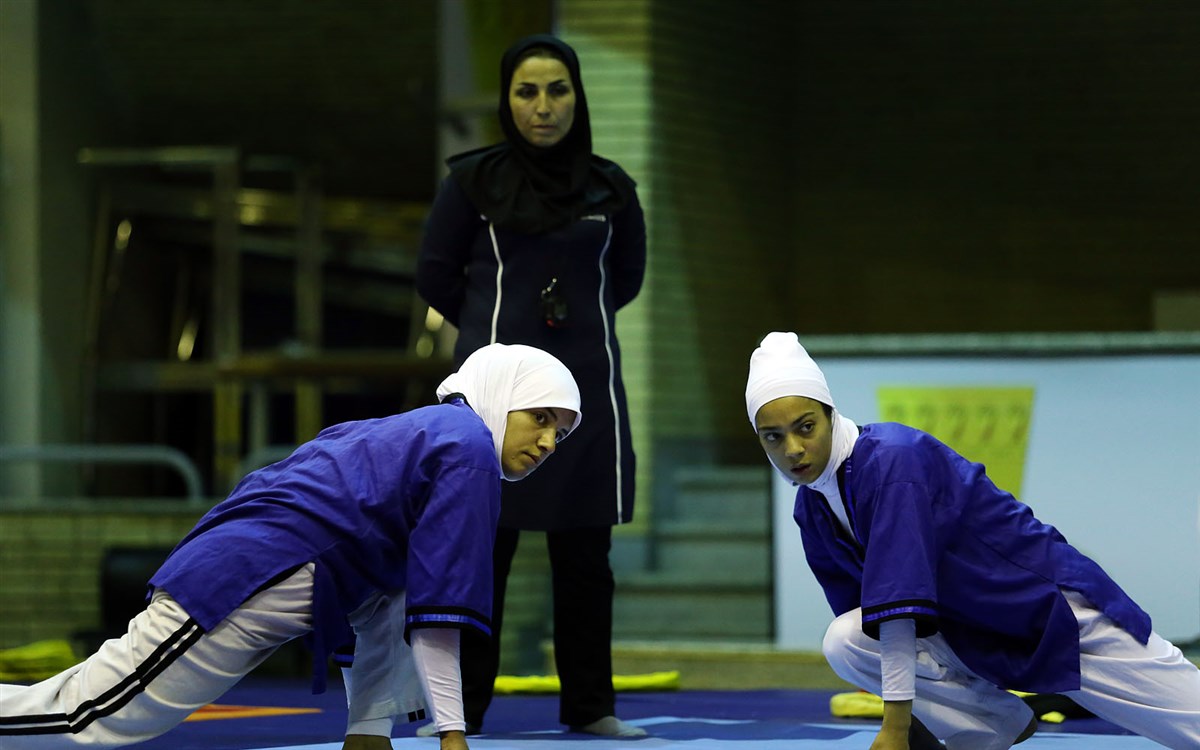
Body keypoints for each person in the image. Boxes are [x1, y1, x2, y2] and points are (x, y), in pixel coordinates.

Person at [0, 343, 581, 750]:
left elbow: (389, 606)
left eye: (559, 430)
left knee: (85, 705)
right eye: (539, 417)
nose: (548, 442)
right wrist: (452, 735)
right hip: (241, 575)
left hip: (247, 563)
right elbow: (436, 617)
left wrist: (369, 730)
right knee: (89, 716)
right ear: (500, 396)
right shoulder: (465, 451)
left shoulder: (427, 433)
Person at [744, 331, 1200, 750]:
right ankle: (990, 725)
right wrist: (916, 727)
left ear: (830, 414)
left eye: (806, 427)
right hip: (966, 628)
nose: (793, 449)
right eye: (773, 437)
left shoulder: (893, 461)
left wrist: (895, 729)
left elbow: (898, 608)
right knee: (847, 640)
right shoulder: (813, 507)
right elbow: (872, 623)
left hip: (1047, 610)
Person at [415, 33, 646, 738]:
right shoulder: (471, 183)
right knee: (481, 555)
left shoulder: (612, 189)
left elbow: (625, 280)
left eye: (557, 90)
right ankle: (461, 714)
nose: (543, 106)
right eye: (526, 92)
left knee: (585, 558)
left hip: (587, 391)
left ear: (577, 98)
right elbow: (435, 275)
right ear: (507, 101)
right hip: (493, 399)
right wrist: (494, 335)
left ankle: (591, 708)